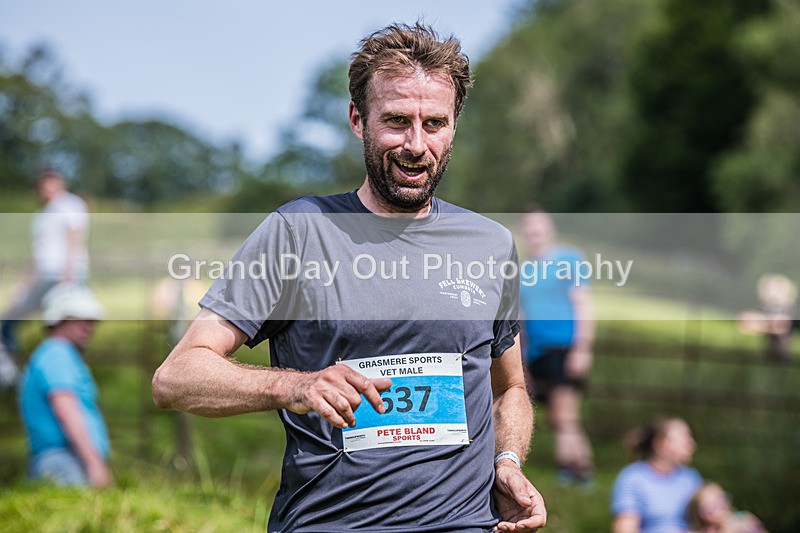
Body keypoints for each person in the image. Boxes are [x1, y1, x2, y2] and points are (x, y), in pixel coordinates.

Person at [152, 22, 546, 532]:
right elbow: (177, 377)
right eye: (397, 120)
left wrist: (507, 461)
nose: (416, 144)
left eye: (434, 124)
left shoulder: (490, 244)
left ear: (453, 126)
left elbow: (508, 388)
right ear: (358, 119)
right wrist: (297, 386)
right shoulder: (298, 232)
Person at [519, 209, 595, 485]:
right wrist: (522, 361)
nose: (535, 233)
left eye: (539, 227)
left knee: (565, 413)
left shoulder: (569, 259)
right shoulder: (522, 271)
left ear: (550, 229)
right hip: (536, 352)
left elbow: (583, 304)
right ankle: (576, 470)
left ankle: (576, 471)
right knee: (558, 415)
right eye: (530, 228)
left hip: (563, 346)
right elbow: (520, 320)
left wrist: (582, 348)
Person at [18, 284, 112, 488]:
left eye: (91, 320)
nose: (87, 326)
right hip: (64, 462)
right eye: (77, 319)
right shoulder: (57, 353)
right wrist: (94, 463)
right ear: (57, 320)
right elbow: (66, 410)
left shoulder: (57, 354)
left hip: (66, 460)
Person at [1, 169, 90, 363]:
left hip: (61, 276)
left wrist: (68, 274)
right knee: (10, 322)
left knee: (68, 327)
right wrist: (23, 286)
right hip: (44, 276)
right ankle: (12, 368)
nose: (46, 187)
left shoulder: (70, 204)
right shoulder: (43, 214)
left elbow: (74, 237)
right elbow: (38, 253)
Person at [611, 417, 703, 533]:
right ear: (660, 444)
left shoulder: (691, 478)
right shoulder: (633, 478)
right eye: (684, 438)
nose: (691, 443)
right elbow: (625, 528)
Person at [687, 482, 766, 533]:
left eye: (720, 500)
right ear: (699, 515)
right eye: (709, 507)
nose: (717, 508)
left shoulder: (744, 518)